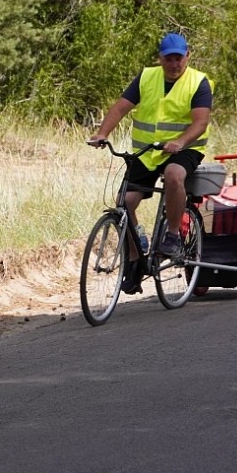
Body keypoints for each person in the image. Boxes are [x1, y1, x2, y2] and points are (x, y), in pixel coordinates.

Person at [87, 31, 213, 294]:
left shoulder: (198, 82)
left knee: (174, 175)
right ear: (160, 58)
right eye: (169, 59)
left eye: (179, 58)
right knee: (125, 203)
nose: (174, 63)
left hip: (185, 148)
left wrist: (180, 141)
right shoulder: (146, 77)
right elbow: (121, 107)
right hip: (147, 151)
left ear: (187, 56)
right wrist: (102, 133)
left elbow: (201, 122)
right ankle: (135, 258)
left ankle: (173, 234)